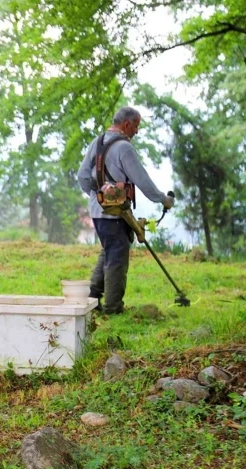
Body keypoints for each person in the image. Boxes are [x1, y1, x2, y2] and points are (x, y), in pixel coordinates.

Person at [77, 106, 174, 314]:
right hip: (116, 213)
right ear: (127, 124)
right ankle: (113, 307)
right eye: (136, 126)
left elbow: (83, 176)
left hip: (97, 211)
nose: (137, 131)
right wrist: (162, 200)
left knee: (109, 251)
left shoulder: (97, 142)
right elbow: (142, 180)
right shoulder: (124, 148)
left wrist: (99, 196)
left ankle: (92, 298)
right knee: (117, 257)